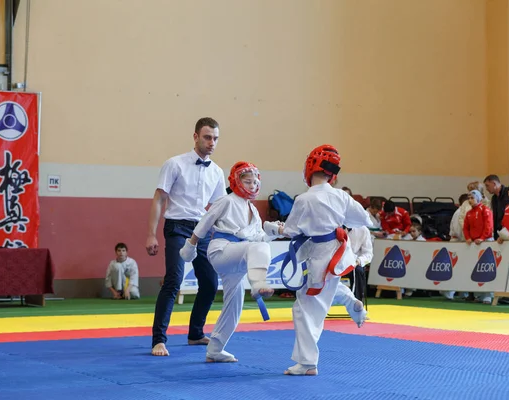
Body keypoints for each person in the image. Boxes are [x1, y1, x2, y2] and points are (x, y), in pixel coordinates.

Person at [281, 144, 372, 376]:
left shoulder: (304, 199)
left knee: (306, 309)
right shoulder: (341, 195)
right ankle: (353, 303)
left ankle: (307, 363)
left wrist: (275, 228)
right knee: (328, 289)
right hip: (339, 253)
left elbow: (292, 230)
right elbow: (364, 219)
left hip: (320, 256)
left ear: (309, 169)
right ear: (332, 173)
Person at [179, 161, 280, 363]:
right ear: (236, 181)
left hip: (239, 255)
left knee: (235, 305)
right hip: (221, 250)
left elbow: (259, 239)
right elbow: (205, 221)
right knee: (258, 249)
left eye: (254, 182)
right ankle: (258, 284)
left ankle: (215, 349)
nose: (252, 185)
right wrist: (190, 246)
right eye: (247, 181)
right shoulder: (226, 201)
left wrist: (275, 231)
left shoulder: (253, 210)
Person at [146, 117, 226, 357]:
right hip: (177, 227)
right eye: (207, 137)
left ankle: (195, 333)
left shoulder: (218, 172)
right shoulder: (174, 164)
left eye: (215, 138)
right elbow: (159, 198)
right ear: (195, 137)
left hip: (202, 229)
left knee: (211, 284)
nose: (212, 143)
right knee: (173, 280)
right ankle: (159, 340)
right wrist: (151, 234)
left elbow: (219, 208)